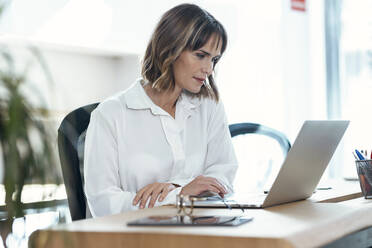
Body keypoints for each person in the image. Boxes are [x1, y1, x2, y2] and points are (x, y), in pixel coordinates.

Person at [84, 3, 238, 217]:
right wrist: (179, 194)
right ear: (170, 49)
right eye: (200, 55)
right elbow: (103, 203)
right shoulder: (111, 115)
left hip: (202, 229)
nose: (209, 69)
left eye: (214, 59)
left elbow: (224, 176)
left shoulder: (209, 106)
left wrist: (176, 187)